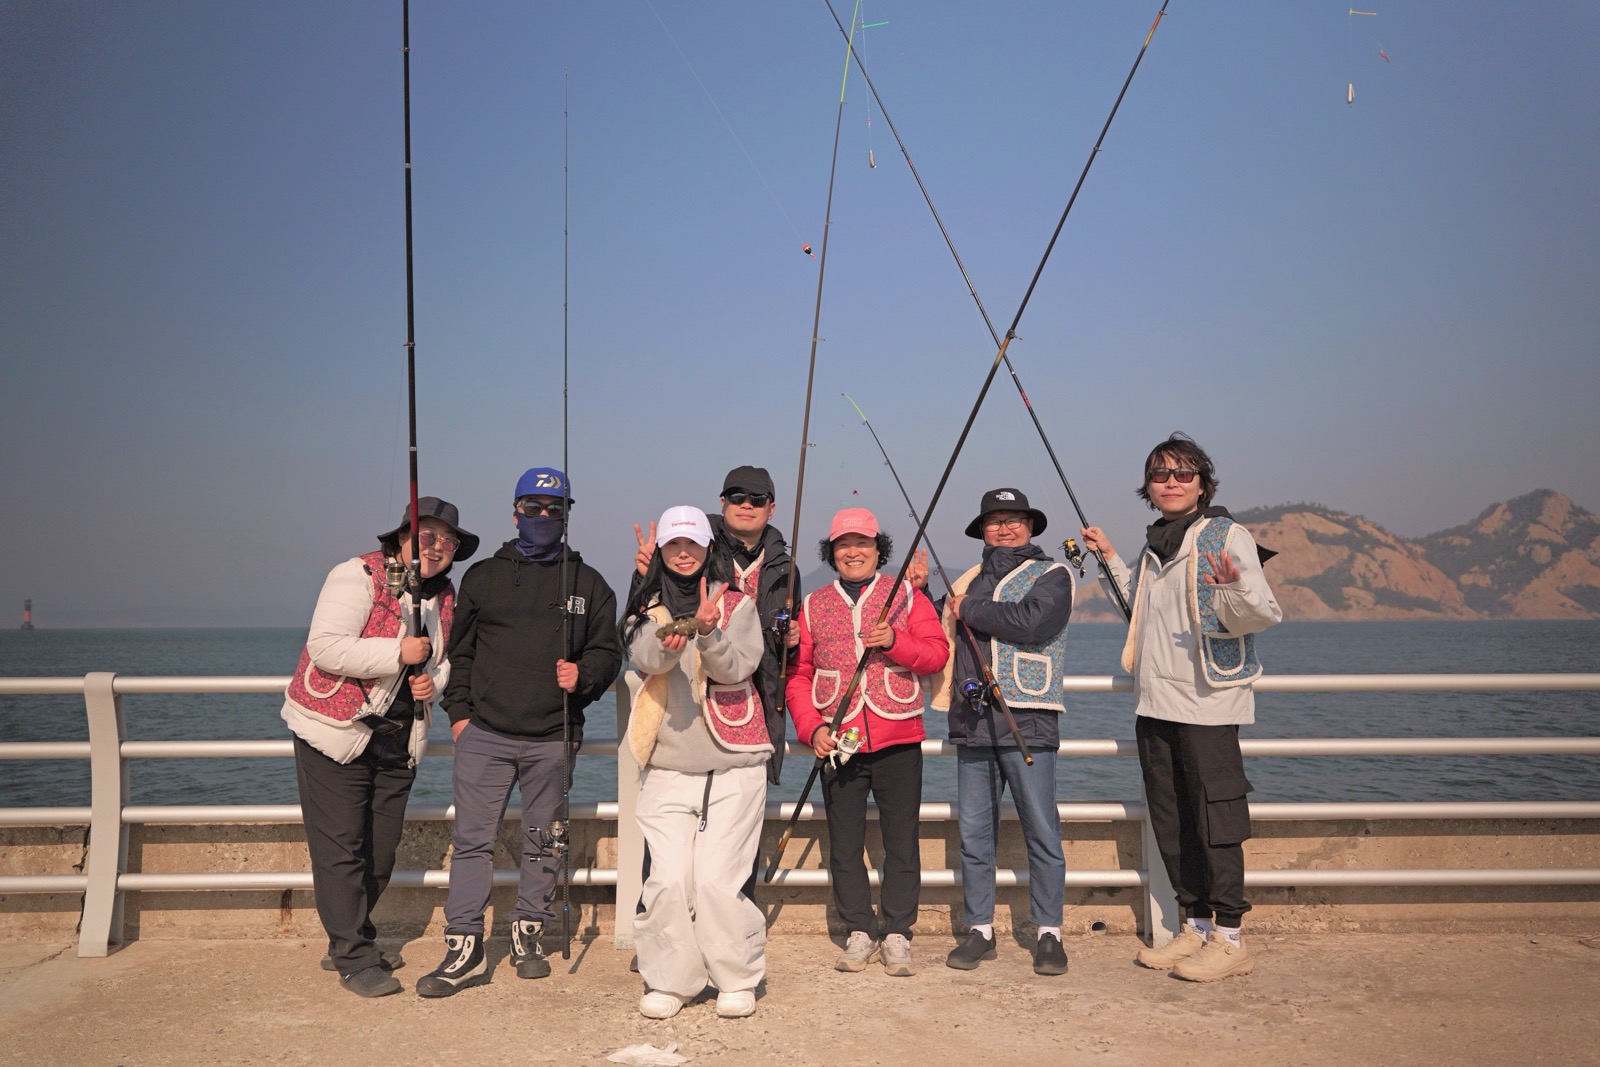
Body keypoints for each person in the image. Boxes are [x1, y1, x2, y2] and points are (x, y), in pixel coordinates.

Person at [1082, 432, 1281, 983]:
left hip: (1208, 703)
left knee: (1217, 818)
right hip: (1155, 702)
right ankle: (1194, 926)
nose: (1171, 482)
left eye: (1183, 473)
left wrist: (1231, 590)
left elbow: (1262, 613)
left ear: (1202, 484)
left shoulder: (1226, 535)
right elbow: (1138, 607)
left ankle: (1231, 938)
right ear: (1148, 487)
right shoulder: (1155, 546)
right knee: (1171, 818)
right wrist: (1108, 556)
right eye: (1160, 475)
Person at [416, 467, 622, 998]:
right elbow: (460, 654)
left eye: (555, 509)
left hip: (554, 735)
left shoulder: (590, 584)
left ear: (568, 516)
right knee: (471, 842)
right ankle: (464, 945)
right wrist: (460, 717)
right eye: (533, 507)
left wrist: (585, 675)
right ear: (515, 513)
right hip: (484, 734)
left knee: (544, 840)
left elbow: (608, 653)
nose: (543, 517)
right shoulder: (483, 577)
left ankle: (529, 932)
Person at [282, 497, 477, 998]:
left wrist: (432, 682)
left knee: (381, 851)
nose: (437, 547)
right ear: (402, 537)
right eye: (426, 536)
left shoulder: (445, 595)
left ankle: (349, 937)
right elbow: (326, 646)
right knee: (341, 849)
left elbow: (442, 661)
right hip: (335, 731)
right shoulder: (358, 574)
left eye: (448, 541)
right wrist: (397, 653)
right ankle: (353, 956)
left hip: (398, 740)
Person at [622, 505, 771, 1020]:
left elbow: (739, 667)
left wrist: (709, 633)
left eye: (692, 544)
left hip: (736, 761)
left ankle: (736, 977)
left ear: (710, 547)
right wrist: (673, 640)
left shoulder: (738, 603)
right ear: (660, 551)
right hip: (667, 763)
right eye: (673, 545)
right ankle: (670, 979)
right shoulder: (645, 608)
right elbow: (646, 657)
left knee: (716, 879)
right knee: (666, 879)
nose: (683, 553)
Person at [786, 508, 947, 976]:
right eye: (843, 544)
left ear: (879, 550)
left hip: (899, 736)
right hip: (838, 741)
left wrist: (895, 640)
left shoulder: (907, 596)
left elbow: (936, 655)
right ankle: (859, 929)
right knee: (844, 842)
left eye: (863, 543)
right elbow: (798, 676)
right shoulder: (813, 604)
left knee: (902, 841)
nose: (853, 552)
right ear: (831, 552)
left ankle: (897, 933)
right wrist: (812, 728)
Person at [928, 488, 1073, 977]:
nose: (1005, 528)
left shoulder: (1053, 574)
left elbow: (1032, 622)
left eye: (1015, 520)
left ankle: (1049, 932)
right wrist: (921, 593)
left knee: (1042, 830)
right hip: (972, 722)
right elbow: (935, 624)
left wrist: (968, 608)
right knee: (974, 834)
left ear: (1030, 527)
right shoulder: (966, 580)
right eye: (995, 521)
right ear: (982, 531)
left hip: (1029, 721)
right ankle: (980, 930)